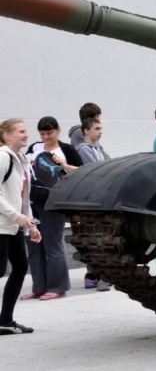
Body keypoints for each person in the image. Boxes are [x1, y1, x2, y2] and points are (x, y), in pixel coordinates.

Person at [23, 116, 81, 301]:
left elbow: (82, 171)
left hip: (54, 201)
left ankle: (58, 287)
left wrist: (63, 165)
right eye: (43, 133)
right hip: (34, 201)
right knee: (34, 245)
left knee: (52, 244)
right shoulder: (34, 147)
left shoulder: (66, 149)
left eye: (50, 132)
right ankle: (39, 287)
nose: (46, 137)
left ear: (58, 130)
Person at [0, 118, 43, 334]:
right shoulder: (2, 157)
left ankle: (5, 320)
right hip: (2, 224)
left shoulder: (21, 159)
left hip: (13, 225)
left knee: (20, 267)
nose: (26, 135)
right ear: (7, 135)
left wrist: (30, 224)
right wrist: (18, 217)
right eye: (21, 131)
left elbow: (23, 197)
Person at [74, 117, 112, 291]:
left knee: (99, 239)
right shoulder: (83, 150)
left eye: (101, 128)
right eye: (96, 128)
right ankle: (97, 276)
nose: (101, 131)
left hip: (100, 199)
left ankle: (95, 275)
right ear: (86, 131)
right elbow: (98, 169)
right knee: (96, 239)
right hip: (91, 201)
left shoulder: (98, 148)